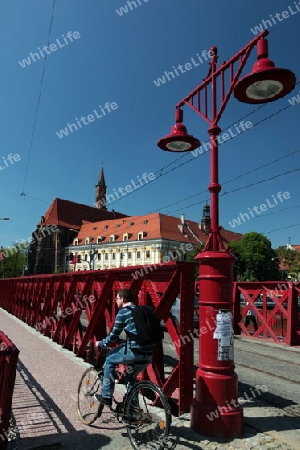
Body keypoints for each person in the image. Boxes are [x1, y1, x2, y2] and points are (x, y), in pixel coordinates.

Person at [95, 289, 153, 406]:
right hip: (148, 354)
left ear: (123, 299)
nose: (115, 301)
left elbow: (113, 337)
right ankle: (132, 409)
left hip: (134, 352)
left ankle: (106, 396)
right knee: (129, 375)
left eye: (117, 298)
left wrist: (100, 343)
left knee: (110, 359)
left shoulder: (123, 313)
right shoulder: (142, 311)